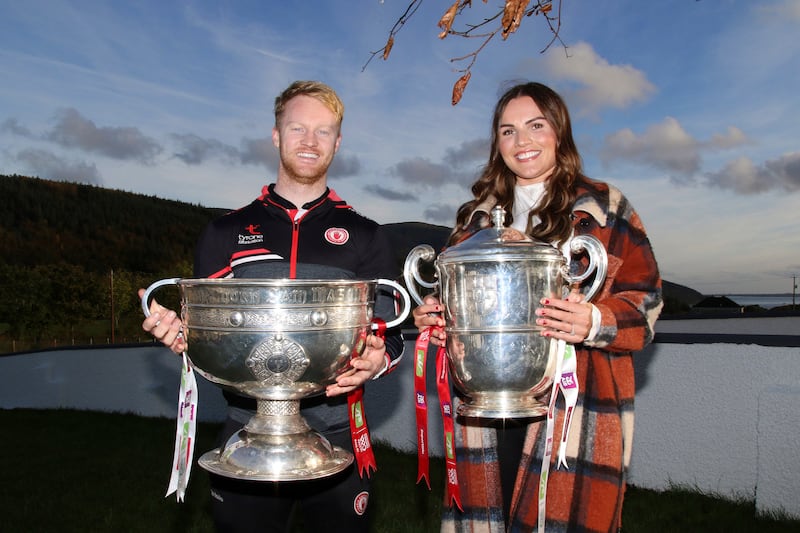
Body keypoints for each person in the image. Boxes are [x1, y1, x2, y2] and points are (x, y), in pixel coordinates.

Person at [140, 80, 404, 533]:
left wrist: (378, 361)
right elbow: (205, 331)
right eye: (298, 128)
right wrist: (180, 334)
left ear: (338, 143)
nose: (309, 141)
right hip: (247, 429)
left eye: (323, 131)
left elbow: (393, 333)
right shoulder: (225, 232)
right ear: (277, 135)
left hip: (337, 428)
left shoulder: (366, 235)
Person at [413, 81, 662, 532]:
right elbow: (453, 306)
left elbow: (645, 307)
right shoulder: (475, 221)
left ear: (559, 133)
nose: (521, 141)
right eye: (507, 131)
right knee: (488, 517)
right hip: (483, 408)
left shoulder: (605, 207)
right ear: (497, 144)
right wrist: (435, 313)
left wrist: (594, 320)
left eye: (535, 126)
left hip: (578, 403)